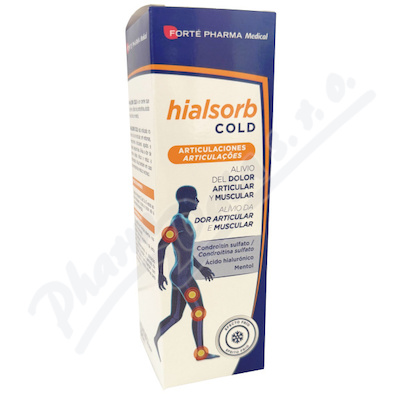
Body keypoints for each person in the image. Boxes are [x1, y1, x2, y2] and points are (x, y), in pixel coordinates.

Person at [154, 185, 219, 361]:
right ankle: (201, 353)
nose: (198, 201)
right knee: (199, 311)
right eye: (195, 197)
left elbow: (186, 252)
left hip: (180, 275)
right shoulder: (178, 222)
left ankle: (155, 339)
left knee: (175, 316)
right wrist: (159, 273)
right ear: (186, 200)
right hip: (183, 277)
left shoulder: (183, 221)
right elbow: (161, 246)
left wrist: (200, 267)